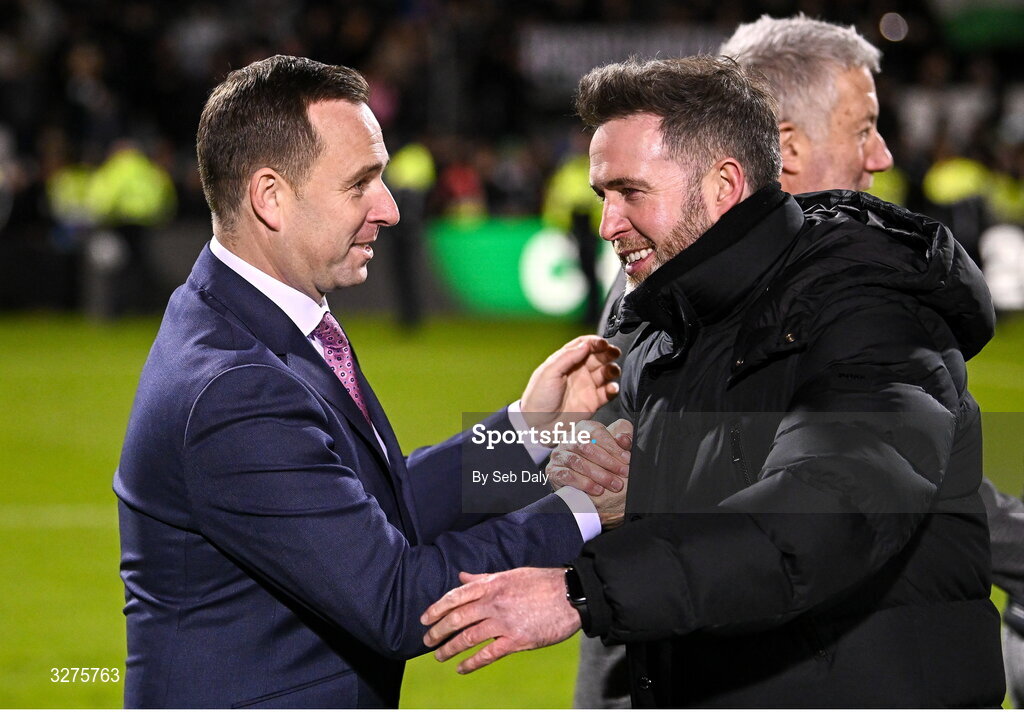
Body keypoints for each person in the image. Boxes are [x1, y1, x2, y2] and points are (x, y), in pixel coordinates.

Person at [420, 55, 1005, 707]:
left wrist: (582, 591)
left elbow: (829, 511)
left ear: (725, 184)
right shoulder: (657, 312)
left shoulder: (869, 308)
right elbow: (576, 466)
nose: (608, 224)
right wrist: (521, 431)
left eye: (630, 192)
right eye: (601, 196)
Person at [114, 55, 625, 709]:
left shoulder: (251, 316)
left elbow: (370, 509)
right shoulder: (237, 385)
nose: (389, 209)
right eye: (360, 184)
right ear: (270, 197)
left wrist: (527, 429)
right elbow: (393, 599)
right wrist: (585, 509)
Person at [576, 14, 1024, 707]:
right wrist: (527, 436)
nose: (880, 156)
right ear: (783, 148)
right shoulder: (661, 295)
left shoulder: (861, 292)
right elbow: (596, 476)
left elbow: (861, 480)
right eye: (862, 127)